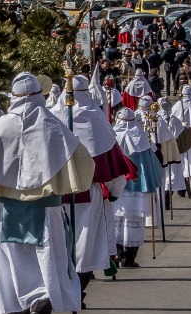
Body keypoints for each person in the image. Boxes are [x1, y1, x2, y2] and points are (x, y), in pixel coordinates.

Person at [0, 73, 93, 314]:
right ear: (39, 96)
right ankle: (42, 305)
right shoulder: (53, 126)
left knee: (11, 265)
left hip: (6, 210)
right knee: (48, 261)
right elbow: (81, 162)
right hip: (46, 210)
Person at [68, 74, 135, 290]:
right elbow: (113, 162)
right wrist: (115, 191)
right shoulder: (95, 118)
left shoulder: (52, 116)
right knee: (86, 246)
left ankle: (67, 293)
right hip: (89, 193)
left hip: (58, 194)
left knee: (62, 244)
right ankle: (78, 290)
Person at [111, 105, 163, 267]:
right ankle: (130, 259)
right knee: (135, 223)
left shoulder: (111, 138)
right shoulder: (143, 139)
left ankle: (118, 254)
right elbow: (155, 161)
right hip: (138, 188)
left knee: (116, 222)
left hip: (117, 188)